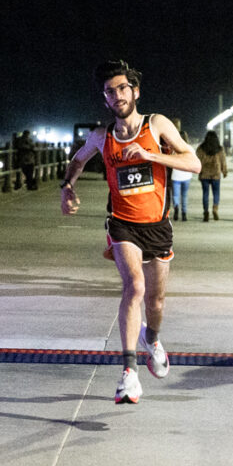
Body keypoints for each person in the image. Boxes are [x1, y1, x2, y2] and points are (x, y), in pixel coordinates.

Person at [59, 60, 201, 404]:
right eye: (110, 91)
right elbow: (78, 160)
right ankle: (129, 374)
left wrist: (153, 156)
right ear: (105, 98)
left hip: (158, 226)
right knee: (134, 286)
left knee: (156, 301)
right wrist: (67, 187)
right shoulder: (102, 136)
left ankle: (151, 339)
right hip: (122, 224)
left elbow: (193, 163)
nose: (117, 95)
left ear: (135, 92)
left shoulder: (157, 125)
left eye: (123, 88)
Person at [196, 130, 228, 221]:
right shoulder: (219, 149)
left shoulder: (201, 148)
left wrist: (198, 171)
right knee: (216, 193)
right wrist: (224, 171)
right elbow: (223, 161)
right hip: (216, 174)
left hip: (204, 174)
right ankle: (215, 208)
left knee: (205, 193)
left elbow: (197, 160)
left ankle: (206, 211)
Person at [170, 131, 193, 221]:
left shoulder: (173, 149)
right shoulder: (189, 148)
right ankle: (184, 213)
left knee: (175, 195)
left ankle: (176, 208)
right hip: (186, 176)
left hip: (175, 175)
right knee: (184, 195)